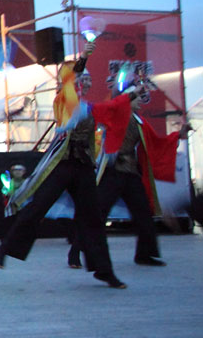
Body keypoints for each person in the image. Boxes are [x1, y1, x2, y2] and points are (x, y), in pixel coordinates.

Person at [0, 43, 126, 289]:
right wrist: (83, 57)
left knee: (93, 219)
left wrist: (131, 92)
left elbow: (114, 110)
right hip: (61, 165)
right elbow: (69, 77)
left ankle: (104, 271)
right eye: (79, 79)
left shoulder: (88, 108)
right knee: (37, 207)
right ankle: (4, 249)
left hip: (83, 168)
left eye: (86, 81)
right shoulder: (62, 99)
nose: (83, 83)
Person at [67, 84, 189, 267]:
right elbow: (102, 111)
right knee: (97, 214)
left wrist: (179, 134)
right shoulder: (115, 115)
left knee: (143, 214)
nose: (141, 100)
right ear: (128, 99)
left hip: (131, 174)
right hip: (112, 172)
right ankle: (75, 252)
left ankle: (145, 254)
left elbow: (156, 143)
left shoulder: (140, 122)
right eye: (137, 97)